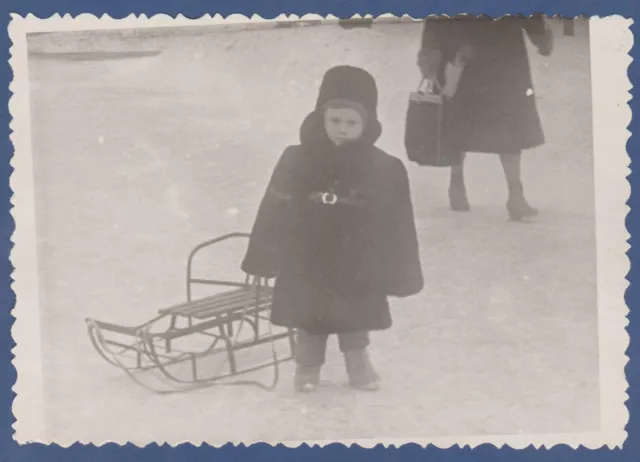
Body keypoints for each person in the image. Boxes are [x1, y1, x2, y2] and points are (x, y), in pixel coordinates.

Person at [241, 65, 424, 392]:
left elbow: (399, 225)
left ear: (366, 125)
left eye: (351, 123)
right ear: (320, 119)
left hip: (358, 254)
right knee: (309, 314)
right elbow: (274, 207)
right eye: (334, 121)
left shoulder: (384, 167)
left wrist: (399, 271)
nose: (342, 129)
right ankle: (307, 369)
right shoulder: (296, 158)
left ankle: (359, 365)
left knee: (355, 311)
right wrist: (264, 256)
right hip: (306, 252)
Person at [417, 15, 554, 221]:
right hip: (479, 49)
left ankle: (504, 193)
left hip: (487, 49)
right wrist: (540, 34)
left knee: (497, 120)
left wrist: (538, 31)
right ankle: (466, 184)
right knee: (477, 119)